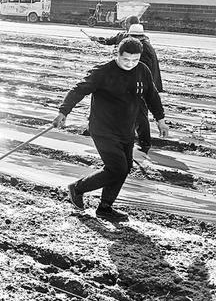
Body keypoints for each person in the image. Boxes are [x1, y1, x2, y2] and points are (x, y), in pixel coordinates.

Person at [53, 37, 168, 222]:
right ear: (118, 55)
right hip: (103, 128)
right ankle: (77, 188)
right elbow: (78, 90)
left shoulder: (142, 71)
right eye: (126, 60)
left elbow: (152, 96)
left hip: (126, 129)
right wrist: (63, 112)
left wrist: (160, 120)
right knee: (117, 168)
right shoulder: (103, 72)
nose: (130, 64)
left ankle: (105, 208)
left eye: (135, 60)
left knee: (125, 168)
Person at [90, 19, 163, 153]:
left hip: (142, 86)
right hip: (143, 85)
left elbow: (140, 69)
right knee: (136, 113)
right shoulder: (143, 45)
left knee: (140, 114)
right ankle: (136, 139)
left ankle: (144, 143)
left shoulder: (142, 49)